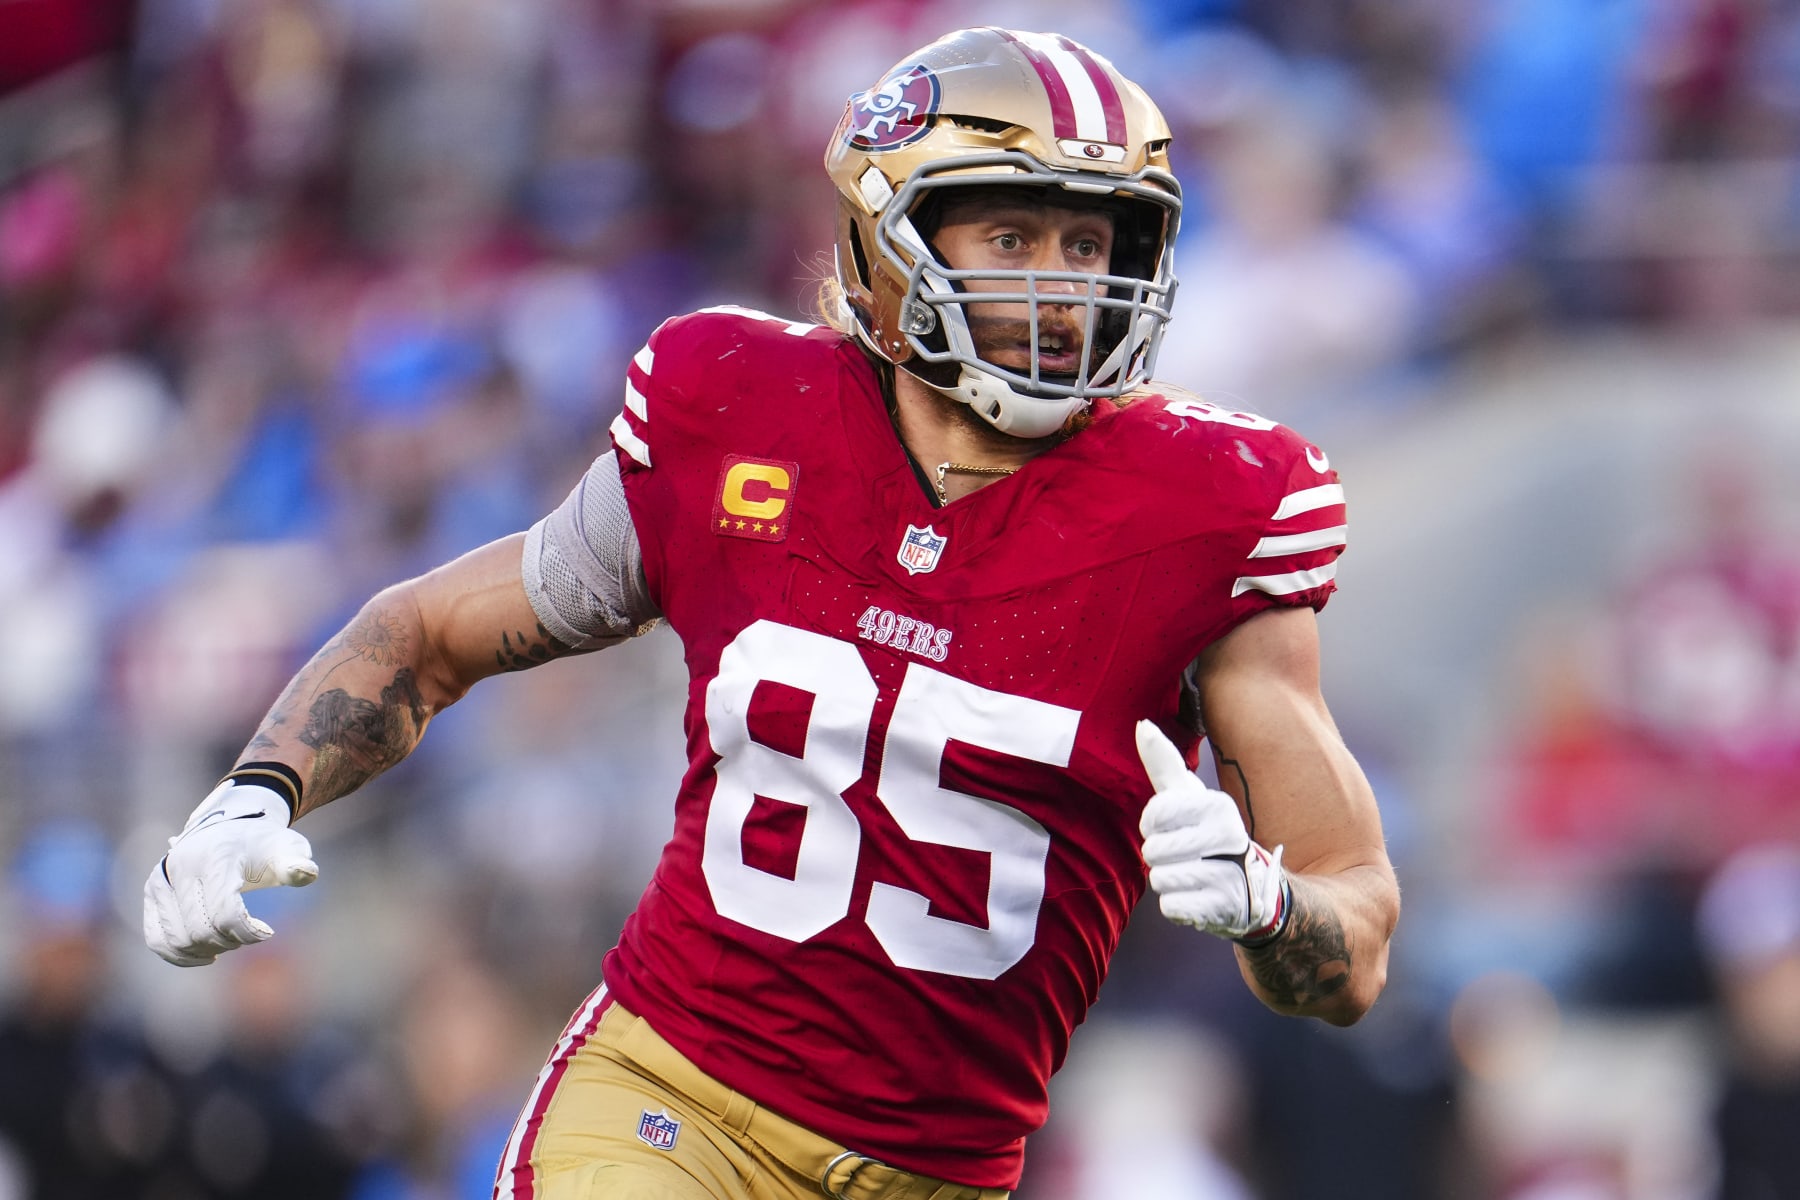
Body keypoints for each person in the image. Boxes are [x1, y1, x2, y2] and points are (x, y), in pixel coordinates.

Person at [142, 27, 1400, 1200]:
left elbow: (1353, 929)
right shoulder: (736, 409)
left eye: (1090, 244)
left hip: (940, 1168)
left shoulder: (1210, 508)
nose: (1062, 286)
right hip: (667, 1098)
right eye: (1010, 239)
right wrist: (256, 789)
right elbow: (432, 634)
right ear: (885, 240)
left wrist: (1268, 905)